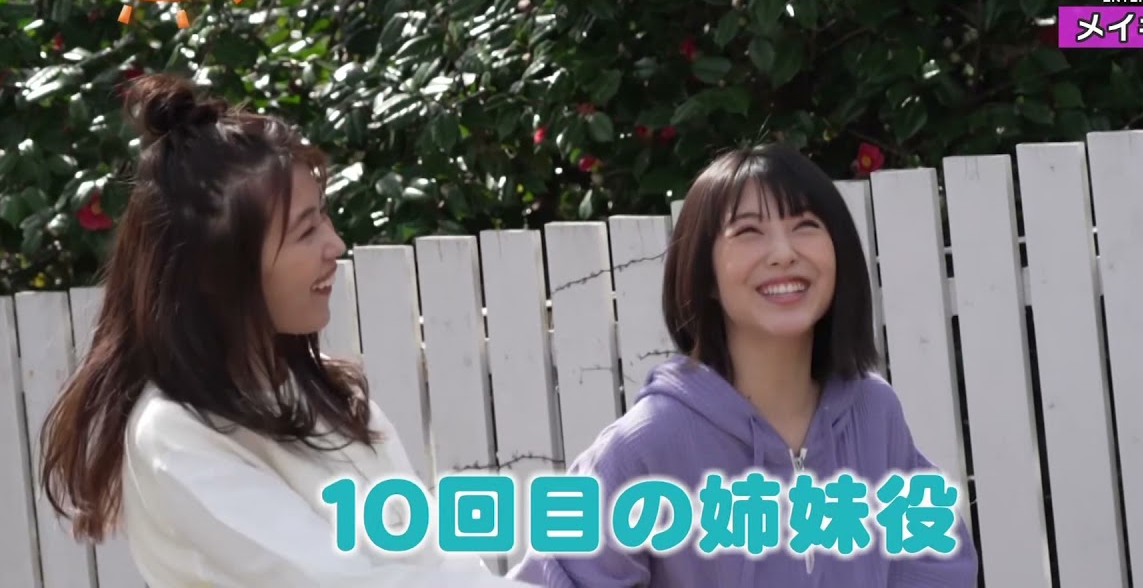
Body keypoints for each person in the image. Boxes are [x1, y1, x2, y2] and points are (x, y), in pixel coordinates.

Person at [38, 73, 526, 587]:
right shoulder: (177, 434)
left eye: (324, 219)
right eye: (306, 230)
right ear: (220, 271)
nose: (335, 246)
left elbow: (433, 560)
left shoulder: (330, 395)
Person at [508, 144, 979, 587]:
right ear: (705, 275)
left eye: (806, 225)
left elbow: (936, 566)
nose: (784, 253)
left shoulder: (873, 412)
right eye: (749, 232)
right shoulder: (647, 444)